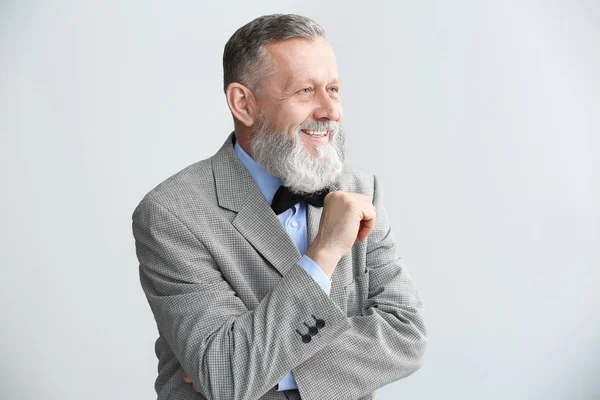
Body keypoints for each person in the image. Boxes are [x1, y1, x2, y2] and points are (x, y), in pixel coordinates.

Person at [132, 14, 427, 400]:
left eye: (333, 89)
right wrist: (323, 254)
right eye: (305, 91)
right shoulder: (170, 214)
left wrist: (257, 366)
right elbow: (228, 379)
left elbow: (407, 334)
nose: (330, 111)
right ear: (244, 103)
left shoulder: (361, 189)